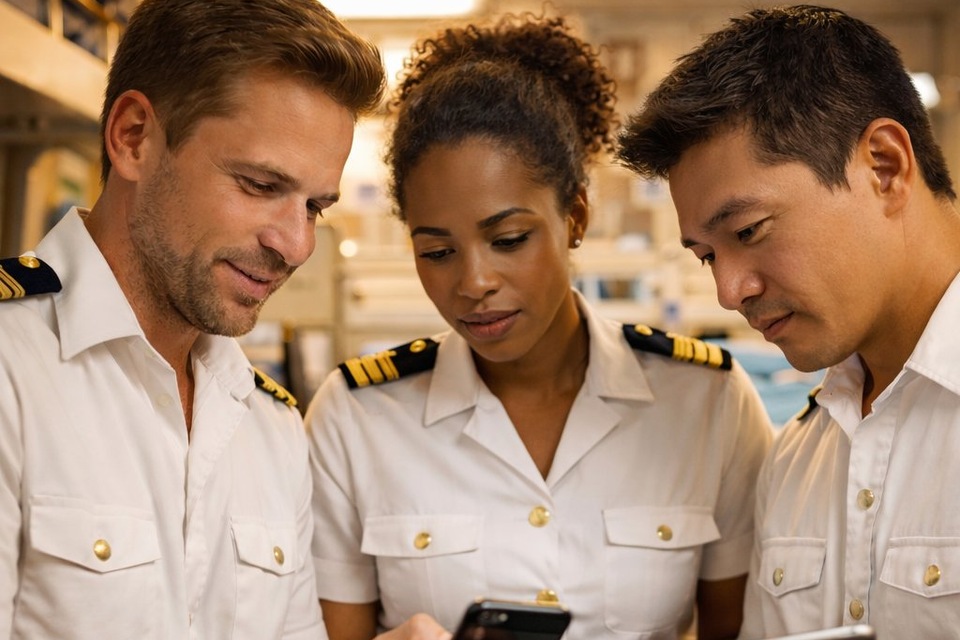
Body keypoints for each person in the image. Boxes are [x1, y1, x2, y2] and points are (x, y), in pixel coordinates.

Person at [305, 12, 772, 640]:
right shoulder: (355, 419)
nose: (473, 283)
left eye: (509, 238)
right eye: (437, 251)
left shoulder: (706, 402)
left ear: (575, 215)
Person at [0, 1, 384, 637]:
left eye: (314, 206)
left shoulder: (271, 427)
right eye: (260, 185)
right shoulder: (13, 369)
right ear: (134, 138)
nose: (295, 246)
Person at [615, 4, 960, 638]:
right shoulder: (799, 458)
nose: (728, 289)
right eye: (708, 256)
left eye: (750, 230)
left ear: (884, 166)